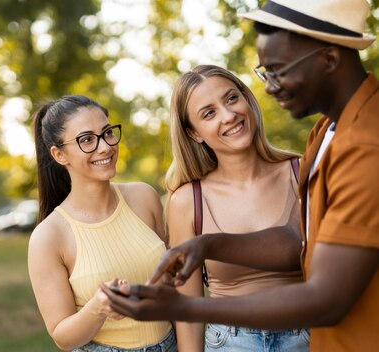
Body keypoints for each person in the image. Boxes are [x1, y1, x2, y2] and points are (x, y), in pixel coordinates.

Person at [101, 1, 379, 351]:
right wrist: (206, 244)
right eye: (265, 74)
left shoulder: (367, 147)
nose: (271, 88)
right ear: (193, 132)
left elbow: (328, 298)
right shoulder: (324, 134)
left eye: (277, 71)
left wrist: (187, 306)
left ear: (329, 59)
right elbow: (297, 235)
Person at [162, 64, 308, 351]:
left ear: (247, 99)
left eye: (231, 98)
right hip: (231, 342)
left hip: (308, 336)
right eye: (209, 113)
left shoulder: (301, 173)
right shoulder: (187, 202)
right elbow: (188, 309)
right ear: (194, 133)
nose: (229, 116)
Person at [28, 95, 176, 351]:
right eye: (87, 139)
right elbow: (62, 336)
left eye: (107, 133)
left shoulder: (144, 197)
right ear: (60, 154)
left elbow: (174, 287)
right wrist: (98, 307)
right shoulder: (49, 236)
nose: (105, 147)